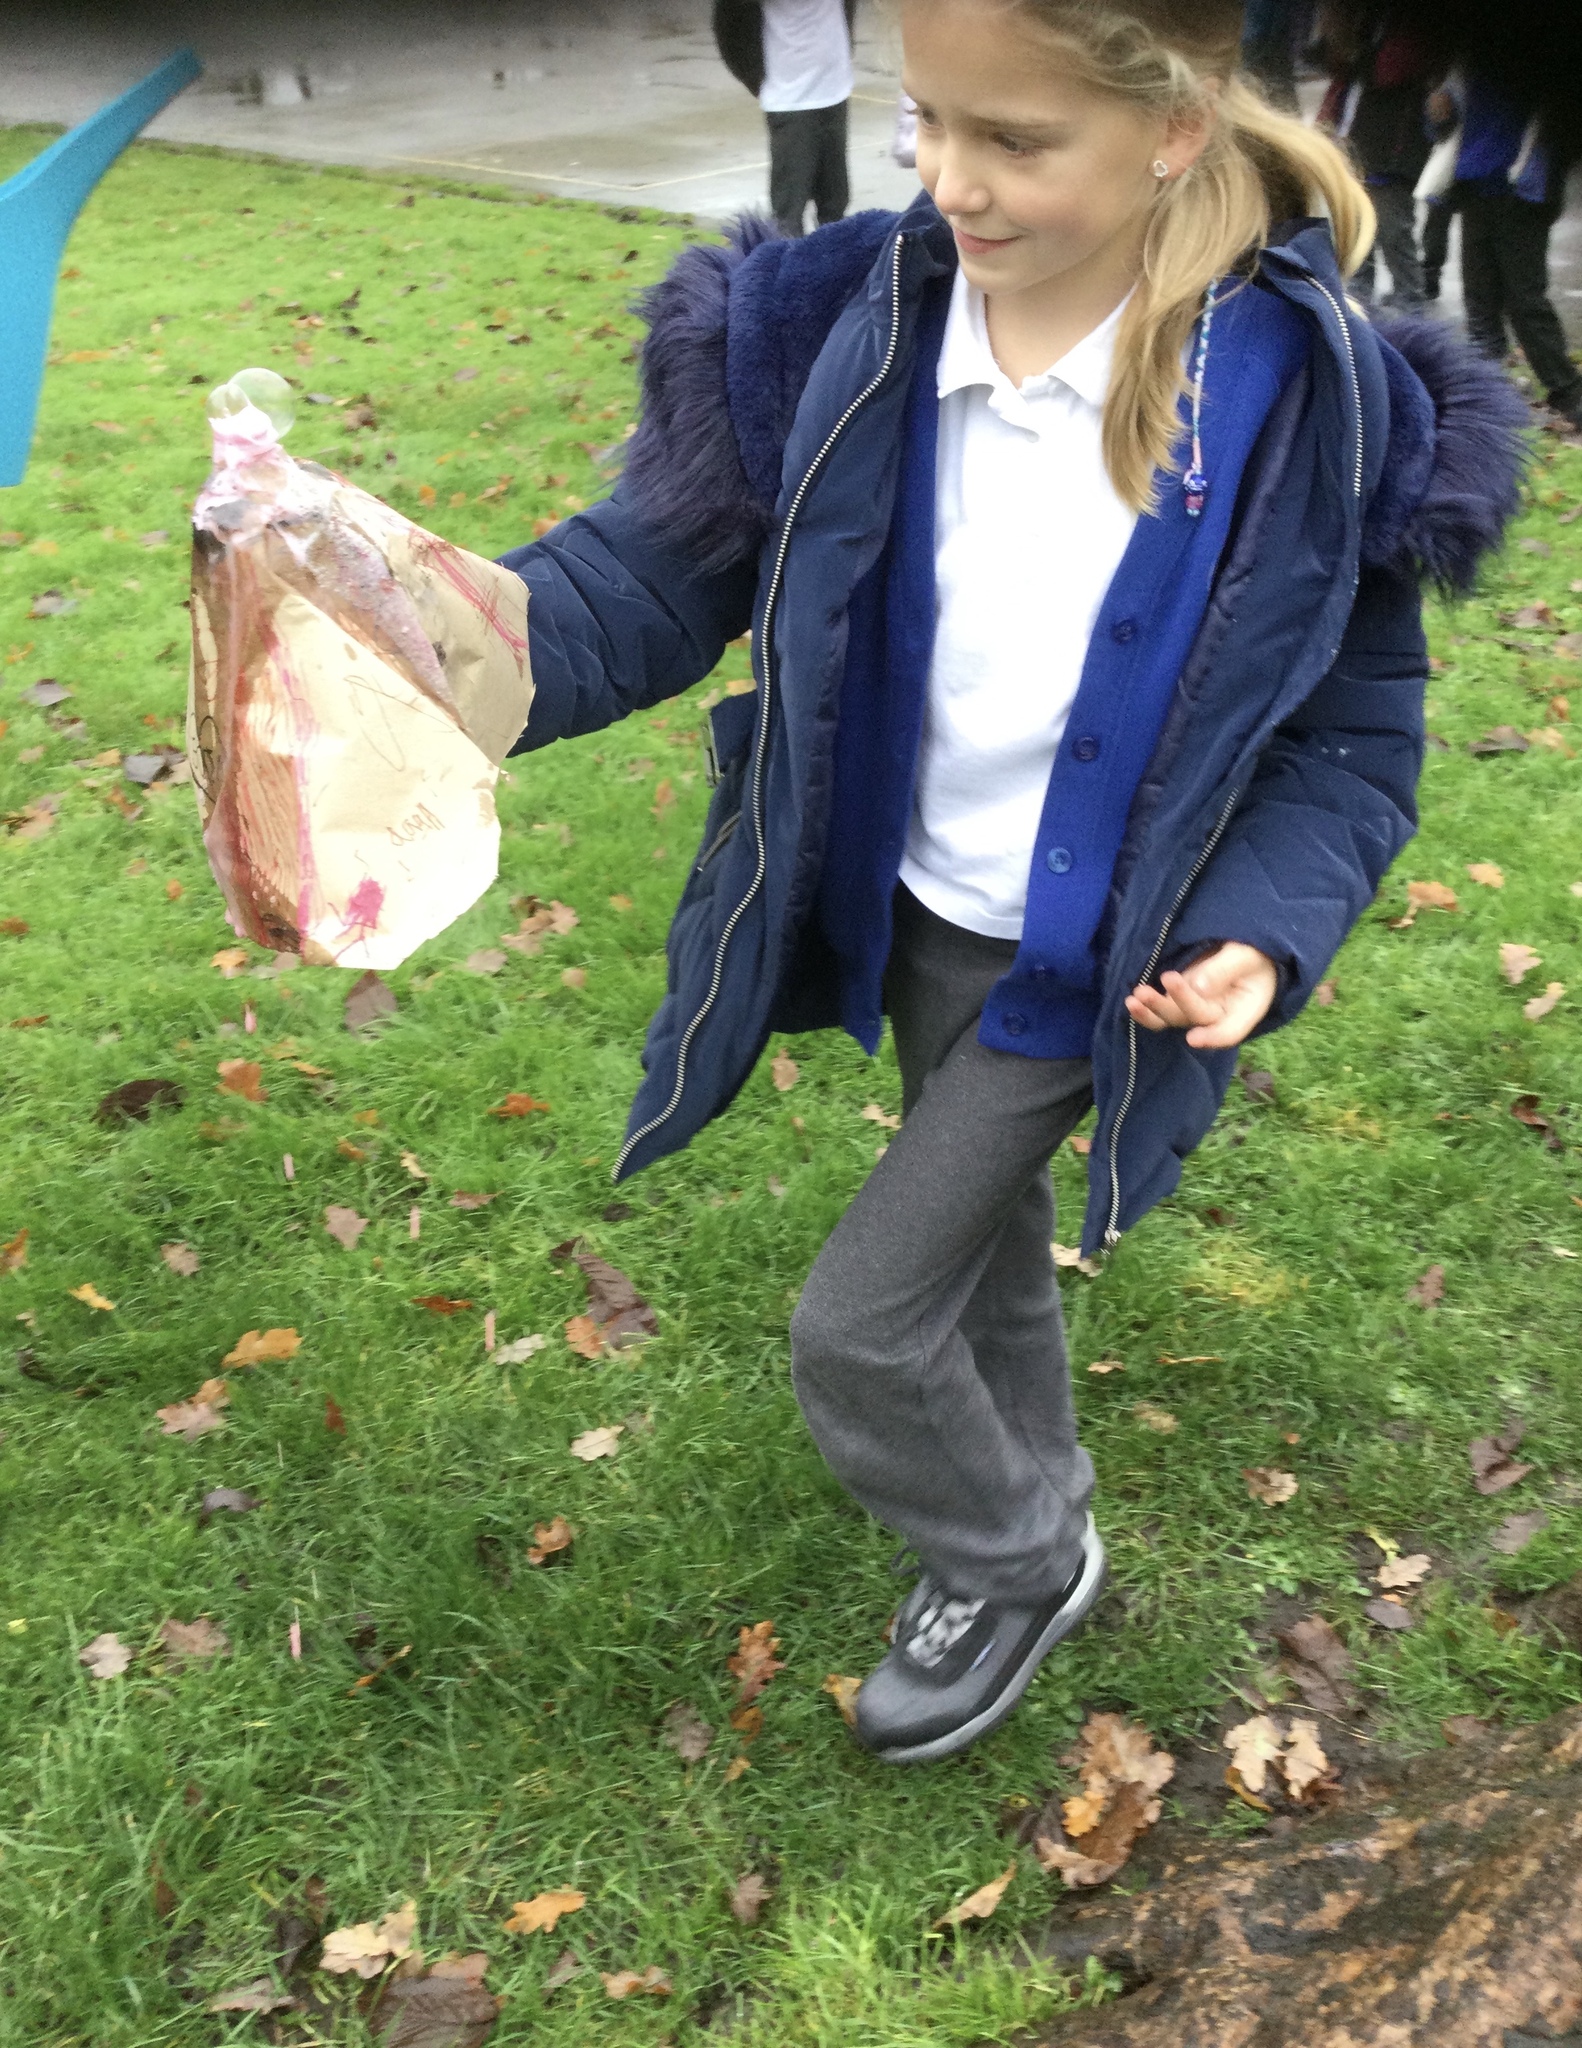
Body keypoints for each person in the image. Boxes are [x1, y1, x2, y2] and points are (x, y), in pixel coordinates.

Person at [501, 0, 1525, 1763]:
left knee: (859, 1331)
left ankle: (1019, 1556)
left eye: (1013, 139)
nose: (947, 179)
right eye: (924, 118)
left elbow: (1350, 743)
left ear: (1173, 126)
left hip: (1090, 961)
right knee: (981, 1265)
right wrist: (439, 634)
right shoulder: (832, 324)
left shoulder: (1310, 411)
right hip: (913, 915)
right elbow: (648, 580)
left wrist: (1260, 932)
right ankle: (1036, 1484)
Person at [1441, 74, 1582, 432]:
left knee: (1524, 300)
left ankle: (1569, 394)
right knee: (1479, 298)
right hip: (1475, 186)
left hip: (1522, 190)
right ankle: (1489, 392)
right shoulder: (1469, 61)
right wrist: (1439, 113)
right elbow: (1448, 116)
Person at [1319, 7, 1439, 309]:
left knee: (1393, 230)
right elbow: (1327, 59)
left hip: (1392, 150)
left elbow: (1389, 70)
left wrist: (1353, 47)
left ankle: (1411, 297)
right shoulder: (1366, 22)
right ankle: (1361, 295)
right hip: (1355, 143)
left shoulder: (1410, 24)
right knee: (1357, 226)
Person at [713, 0, 856, 236]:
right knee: (789, 211)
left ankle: (835, 257)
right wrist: (755, 80)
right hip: (789, 100)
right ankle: (788, 258)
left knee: (835, 202)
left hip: (835, 89)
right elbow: (730, 24)